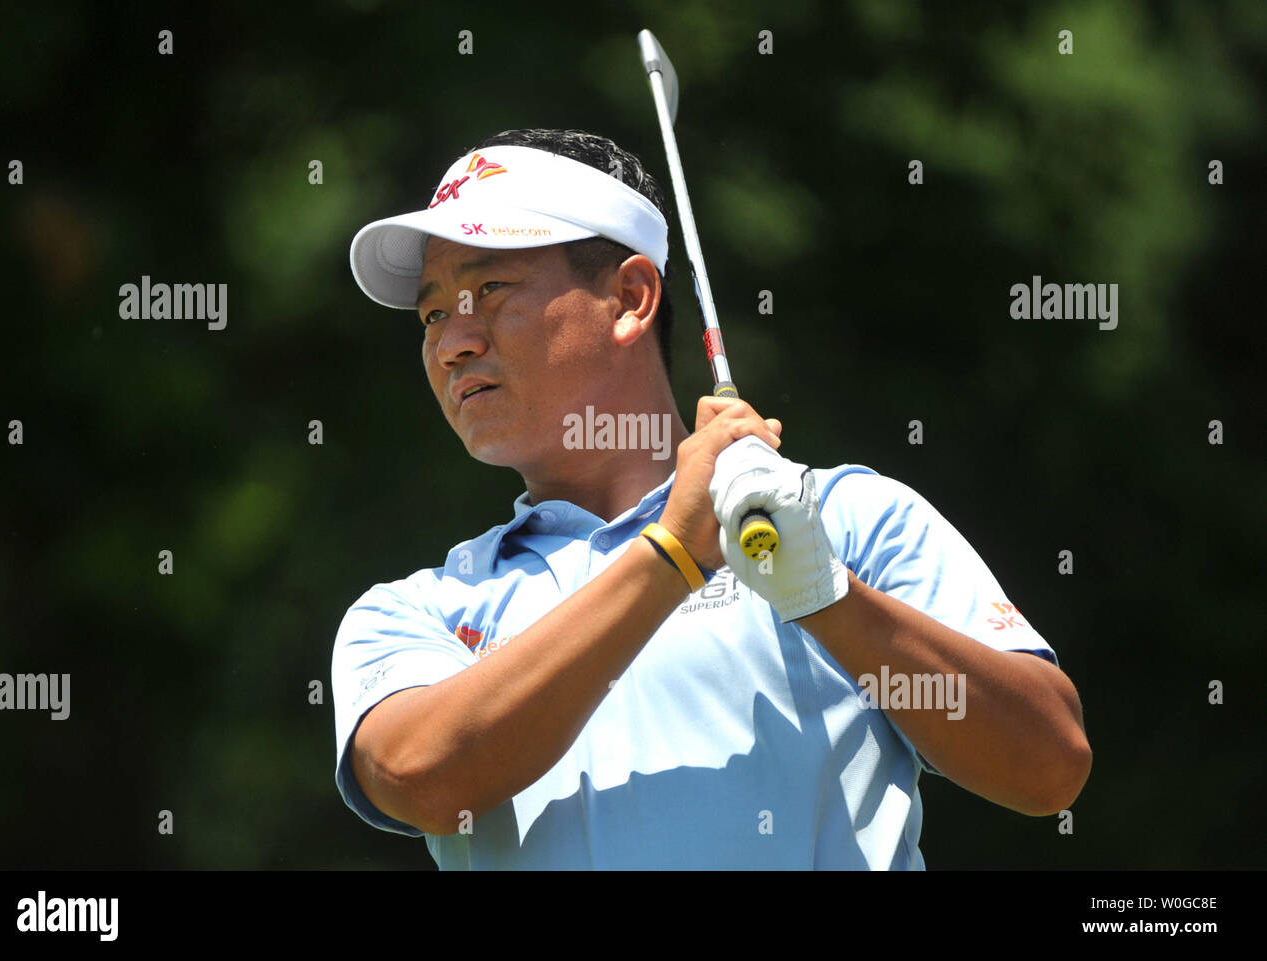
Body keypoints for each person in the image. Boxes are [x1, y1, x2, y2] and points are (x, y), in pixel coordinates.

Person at [331, 128, 1092, 869]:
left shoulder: (843, 520)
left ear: (630, 297)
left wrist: (825, 595)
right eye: (433, 312)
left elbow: (1048, 766)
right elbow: (420, 777)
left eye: (489, 289)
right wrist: (671, 553)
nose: (452, 340)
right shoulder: (417, 608)